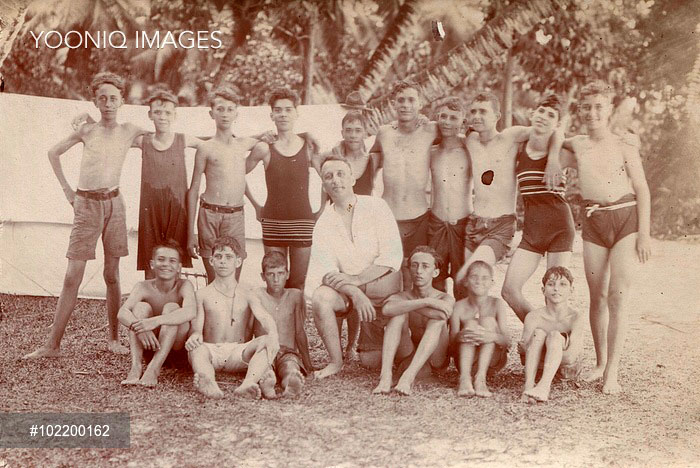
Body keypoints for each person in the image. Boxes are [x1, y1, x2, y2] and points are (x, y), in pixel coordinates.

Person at [23, 72, 148, 359]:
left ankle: (114, 339)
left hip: (115, 205)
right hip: (86, 205)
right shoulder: (86, 130)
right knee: (72, 276)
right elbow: (53, 153)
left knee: (112, 274)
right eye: (102, 98)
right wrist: (68, 191)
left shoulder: (129, 130)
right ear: (94, 100)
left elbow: (166, 140)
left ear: (122, 101)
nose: (108, 103)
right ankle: (52, 345)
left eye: (113, 98)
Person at [560, 81, 651, 394]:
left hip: (626, 217)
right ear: (580, 110)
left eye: (599, 106)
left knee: (617, 296)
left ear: (609, 109)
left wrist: (645, 235)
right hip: (594, 220)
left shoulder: (624, 144)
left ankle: (612, 371)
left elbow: (642, 189)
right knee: (596, 294)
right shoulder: (577, 143)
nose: (592, 113)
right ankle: (600, 364)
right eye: (586, 107)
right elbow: (550, 142)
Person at [305, 156, 404, 379]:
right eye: (328, 176)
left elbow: (392, 257)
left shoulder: (375, 206)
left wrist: (358, 280)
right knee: (321, 297)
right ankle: (336, 361)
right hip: (351, 293)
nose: (335, 180)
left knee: (374, 361)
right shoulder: (324, 223)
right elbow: (326, 273)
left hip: (383, 290)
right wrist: (356, 292)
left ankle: (388, 338)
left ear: (352, 178)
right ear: (323, 184)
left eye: (341, 174)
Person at [454, 92, 563, 283]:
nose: (477, 116)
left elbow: (554, 131)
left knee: (469, 274)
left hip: (501, 225)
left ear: (497, 116)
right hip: (474, 223)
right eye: (473, 111)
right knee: (465, 286)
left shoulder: (510, 137)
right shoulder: (470, 140)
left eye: (483, 111)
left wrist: (553, 159)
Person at [501, 93, 576, 321]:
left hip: (559, 227)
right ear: (533, 113)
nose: (544, 117)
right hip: (533, 231)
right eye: (541, 111)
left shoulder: (562, 153)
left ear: (557, 124)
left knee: (555, 296)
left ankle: (556, 342)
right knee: (509, 290)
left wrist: (553, 157)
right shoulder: (519, 147)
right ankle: (537, 329)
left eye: (551, 115)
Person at [186, 86, 267, 283]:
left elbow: (269, 137)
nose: (225, 114)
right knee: (214, 281)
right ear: (211, 113)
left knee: (233, 281)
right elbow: (194, 189)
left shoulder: (244, 144)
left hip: (235, 216)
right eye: (220, 109)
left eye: (230, 109)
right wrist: (190, 233)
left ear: (237, 113)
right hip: (209, 215)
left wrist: (257, 206)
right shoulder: (205, 148)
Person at [184, 236, 280, 399]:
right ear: (212, 260)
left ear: (238, 262)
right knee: (196, 348)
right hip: (211, 350)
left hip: (239, 351)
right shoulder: (201, 294)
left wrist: (274, 335)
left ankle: (248, 383)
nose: (223, 261)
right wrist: (195, 336)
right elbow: (197, 329)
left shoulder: (248, 292)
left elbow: (264, 317)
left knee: (266, 340)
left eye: (228, 257)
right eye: (218, 257)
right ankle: (209, 382)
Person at [246, 88, 320, 290]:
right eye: (278, 110)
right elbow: (235, 174)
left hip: (302, 221)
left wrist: (321, 209)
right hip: (273, 221)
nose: (283, 114)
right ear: (272, 115)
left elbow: (329, 176)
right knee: (275, 282)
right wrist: (255, 205)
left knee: (297, 283)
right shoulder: (264, 147)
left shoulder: (309, 146)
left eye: (288, 110)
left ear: (297, 113)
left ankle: (295, 322)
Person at [369, 80, 438, 288]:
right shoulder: (384, 133)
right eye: (401, 100)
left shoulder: (431, 130)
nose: (405, 105)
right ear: (393, 104)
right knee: (386, 276)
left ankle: (411, 321)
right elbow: (367, 159)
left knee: (415, 277)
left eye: (411, 100)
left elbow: (462, 135)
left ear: (420, 103)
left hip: (418, 217)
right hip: (388, 216)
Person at [372, 246, 454, 396]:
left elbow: (443, 313)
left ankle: (408, 378)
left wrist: (412, 305)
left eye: (425, 266)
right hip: (407, 355)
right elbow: (387, 310)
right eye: (414, 265)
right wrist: (426, 302)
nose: (419, 271)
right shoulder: (402, 296)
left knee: (437, 320)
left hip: (436, 359)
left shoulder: (444, 298)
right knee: (397, 315)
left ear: (435, 272)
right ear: (409, 269)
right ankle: (385, 376)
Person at [117, 239, 196, 386]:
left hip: (177, 350)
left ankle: (154, 369)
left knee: (172, 308)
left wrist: (155, 321)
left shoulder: (184, 285)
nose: (166, 264)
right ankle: (136, 367)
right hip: (150, 346)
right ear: (152, 264)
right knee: (140, 307)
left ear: (179, 267)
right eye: (161, 259)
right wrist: (140, 329)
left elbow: (191, 311)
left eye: (172, 261)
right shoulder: (142, 286)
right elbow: (122, 312)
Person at [428, 97, 472, 299]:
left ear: (463, 121)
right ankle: (437, 328)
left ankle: (461, 329)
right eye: (443, 116)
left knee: (462, 280)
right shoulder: (431, 152)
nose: (447, 121)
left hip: (462, 223)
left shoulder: (470, 150)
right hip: (436, 223)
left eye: (453, 118)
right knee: (434, 280)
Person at [519, 266, 584, 402]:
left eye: (563, 284)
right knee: (538, 333)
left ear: (571, 290)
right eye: (551, 284)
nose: (556, 288)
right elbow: (524, 353)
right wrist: (534, 346)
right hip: (538, 369)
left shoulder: (575, 317)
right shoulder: (533, 317)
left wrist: (546, 352)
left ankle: (544, 386)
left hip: (565, 370)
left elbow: (571, 356)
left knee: (554, 336)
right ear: (543, 290)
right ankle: (528, 386)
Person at [252, 251, 313, 398]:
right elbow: (249, 328)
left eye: (280, 273)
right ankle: (268, 384)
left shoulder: (295, 296)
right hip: (265, 350)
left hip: (288, 351)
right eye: (270, 274)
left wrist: (308, 363)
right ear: (263, 276)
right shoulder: (257, 295)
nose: (276, 279)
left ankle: (290, 382)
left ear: (287, 274)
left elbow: (299, 331)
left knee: (290, 367)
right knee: (264, 369)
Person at [450, 261, 510, 398]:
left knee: (487, 321)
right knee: (471, 324)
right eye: (474, 277)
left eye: (484, 278)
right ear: (465, 281)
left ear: (492, 282)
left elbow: (507, 342)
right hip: (465, 361)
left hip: (492, 361)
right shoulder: (458, 307)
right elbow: (451, 346)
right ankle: (464, 379)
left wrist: (491, 336)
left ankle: (480, 379)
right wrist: (460, 336)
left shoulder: (497, 304)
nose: (479, 281)